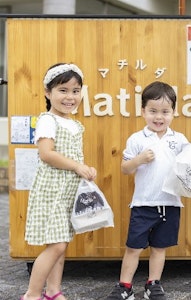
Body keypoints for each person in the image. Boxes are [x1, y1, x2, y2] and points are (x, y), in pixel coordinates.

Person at [106, 81, 190, 300]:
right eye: (153, 111)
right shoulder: (137, 139)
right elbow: (125, 168)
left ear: (173, 112)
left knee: (159, 248)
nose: (159, 117)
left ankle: (153, 284)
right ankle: (125, 286)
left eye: (165, 112)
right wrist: (139, 159)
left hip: (170, 204)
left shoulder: (179, 140)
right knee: (133, 247)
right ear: (143, 111)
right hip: (143, 204)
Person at [21, 63, 97, 300]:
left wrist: (86, 169)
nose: (70, 97)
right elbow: (47, 153)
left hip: (67, 192)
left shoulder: (74, 124)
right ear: (47, 92)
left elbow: (74, 157)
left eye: (76, 91)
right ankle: (32, 294)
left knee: (61, 245)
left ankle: (53, 292)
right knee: (56, 246)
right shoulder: (47, 120)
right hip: (52, 191)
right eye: (63, 90)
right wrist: (77, 166)